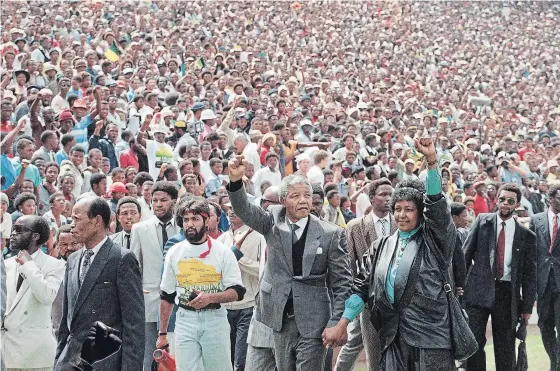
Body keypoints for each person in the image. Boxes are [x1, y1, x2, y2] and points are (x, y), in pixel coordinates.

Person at [335, 138, 457, 371]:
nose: (401, 215)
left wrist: (432, 162)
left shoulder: (435, 241)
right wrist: (343, 322)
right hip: (392, 338)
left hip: (430, 341)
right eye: (397, 209)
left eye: (409, 209)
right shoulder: (381, 247)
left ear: (421, 213)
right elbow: (361, 286)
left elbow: (436, 206)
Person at [227, 155, 352, 371]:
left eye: (307, 196)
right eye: (295, 196)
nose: (303, 201)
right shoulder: (271, 221)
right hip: (279, 317)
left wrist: (336, 321)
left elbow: (343, 283)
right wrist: (236, 181)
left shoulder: (331, 234)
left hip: (314, 320)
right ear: (283, 201)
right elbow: (244, 210)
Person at [54, 197, 145, 371]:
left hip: (106, 361)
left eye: (77, 219)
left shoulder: (121, 259)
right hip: (71, 360)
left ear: (96, 221)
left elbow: (134, 325)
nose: (72, 225)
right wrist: (59, 359)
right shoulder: (73, 260)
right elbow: (66, 321)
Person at [158, 197, 246, 371]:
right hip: (185, 319)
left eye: (195, 219)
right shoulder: (175, 252)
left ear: (206, 221)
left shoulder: (222, 252)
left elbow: (237, 291)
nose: (190, 224)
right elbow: (166, 296)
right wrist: (162, 334)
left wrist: (210, 298)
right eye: (186, 220)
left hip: (215, 319)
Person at [463, 183, 537, 371]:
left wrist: (527, 307)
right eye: (502, 199)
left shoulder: (526, 235)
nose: (504, 204)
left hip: (507, 294)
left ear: (517, 204)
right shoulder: (482, 221)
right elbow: (465, 257)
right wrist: (459, 289)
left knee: (505, 348)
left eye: (510, 201)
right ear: (496, 200)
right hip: (478, 291)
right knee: (473, 345)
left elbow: (529, 275)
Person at [335, 178, 395, 371]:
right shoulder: (356, 226)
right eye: (383, 194)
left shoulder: (402, 223)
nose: (388, 198)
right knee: (373, 357)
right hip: (368, 302)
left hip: (399, 303)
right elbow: (349, 265)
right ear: (371, 199)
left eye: (390, 194)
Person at [3, 215, 65, 371]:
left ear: (35, 236)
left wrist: (29, 266)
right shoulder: (6, 264)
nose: (13, 233)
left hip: (37, 354)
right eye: (13, 229)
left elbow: (46, 296)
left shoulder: (55, 265)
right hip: (7, 351)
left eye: (19, 230)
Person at [130, 181, 180, 370]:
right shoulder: (140, 229)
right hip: (149, 300)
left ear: (174, 202)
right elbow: (134, 266)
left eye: (164, 200)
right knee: (149, 354)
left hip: (178, 300)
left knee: (176, 354)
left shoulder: (183, 228)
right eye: (155, 200)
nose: (158, 204)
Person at [218, 204, 265, 371]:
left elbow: (262, 270)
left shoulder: (259, 237)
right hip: (224, 307)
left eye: (235, 207)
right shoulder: (222, 239)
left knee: (242, 362)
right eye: (229, 208)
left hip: (248, 305)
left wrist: (237, 257)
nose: (232, 211)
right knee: (226, 360)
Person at [529, 184, 560, 371]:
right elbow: (531, 252)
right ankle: (555, 362)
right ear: (550, 199)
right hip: (542, 283)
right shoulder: (536, 220)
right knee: (545, 325)